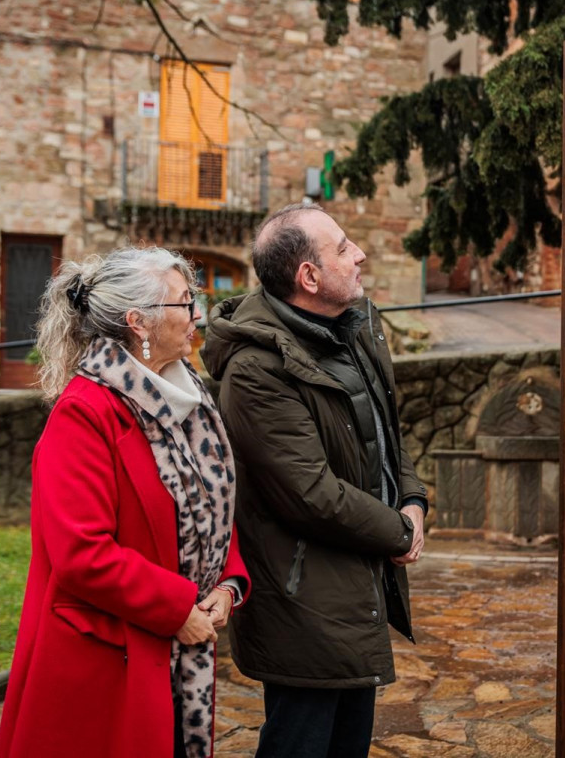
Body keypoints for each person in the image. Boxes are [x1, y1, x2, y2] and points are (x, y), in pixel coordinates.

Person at [0, 247, 250, 758]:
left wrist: (227, 583)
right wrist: (177, 608)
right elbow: (81, 554)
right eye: (184, 303)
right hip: (105, 659)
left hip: (179, 653)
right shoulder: (84, 413)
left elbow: (210, 507)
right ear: (139, 322)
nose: (196, 315)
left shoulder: (189, 399)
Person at [201, 202, 427, 758]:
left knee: (347, 743)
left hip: (354, 580)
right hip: (303, 596)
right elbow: (309, 491)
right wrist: (398, 532)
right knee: (302, 744)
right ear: (309, 277)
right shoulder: (255, 369)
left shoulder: (350, 329)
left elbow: (385, 432)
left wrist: (415, 499)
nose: (360, 255)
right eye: (344, 247)